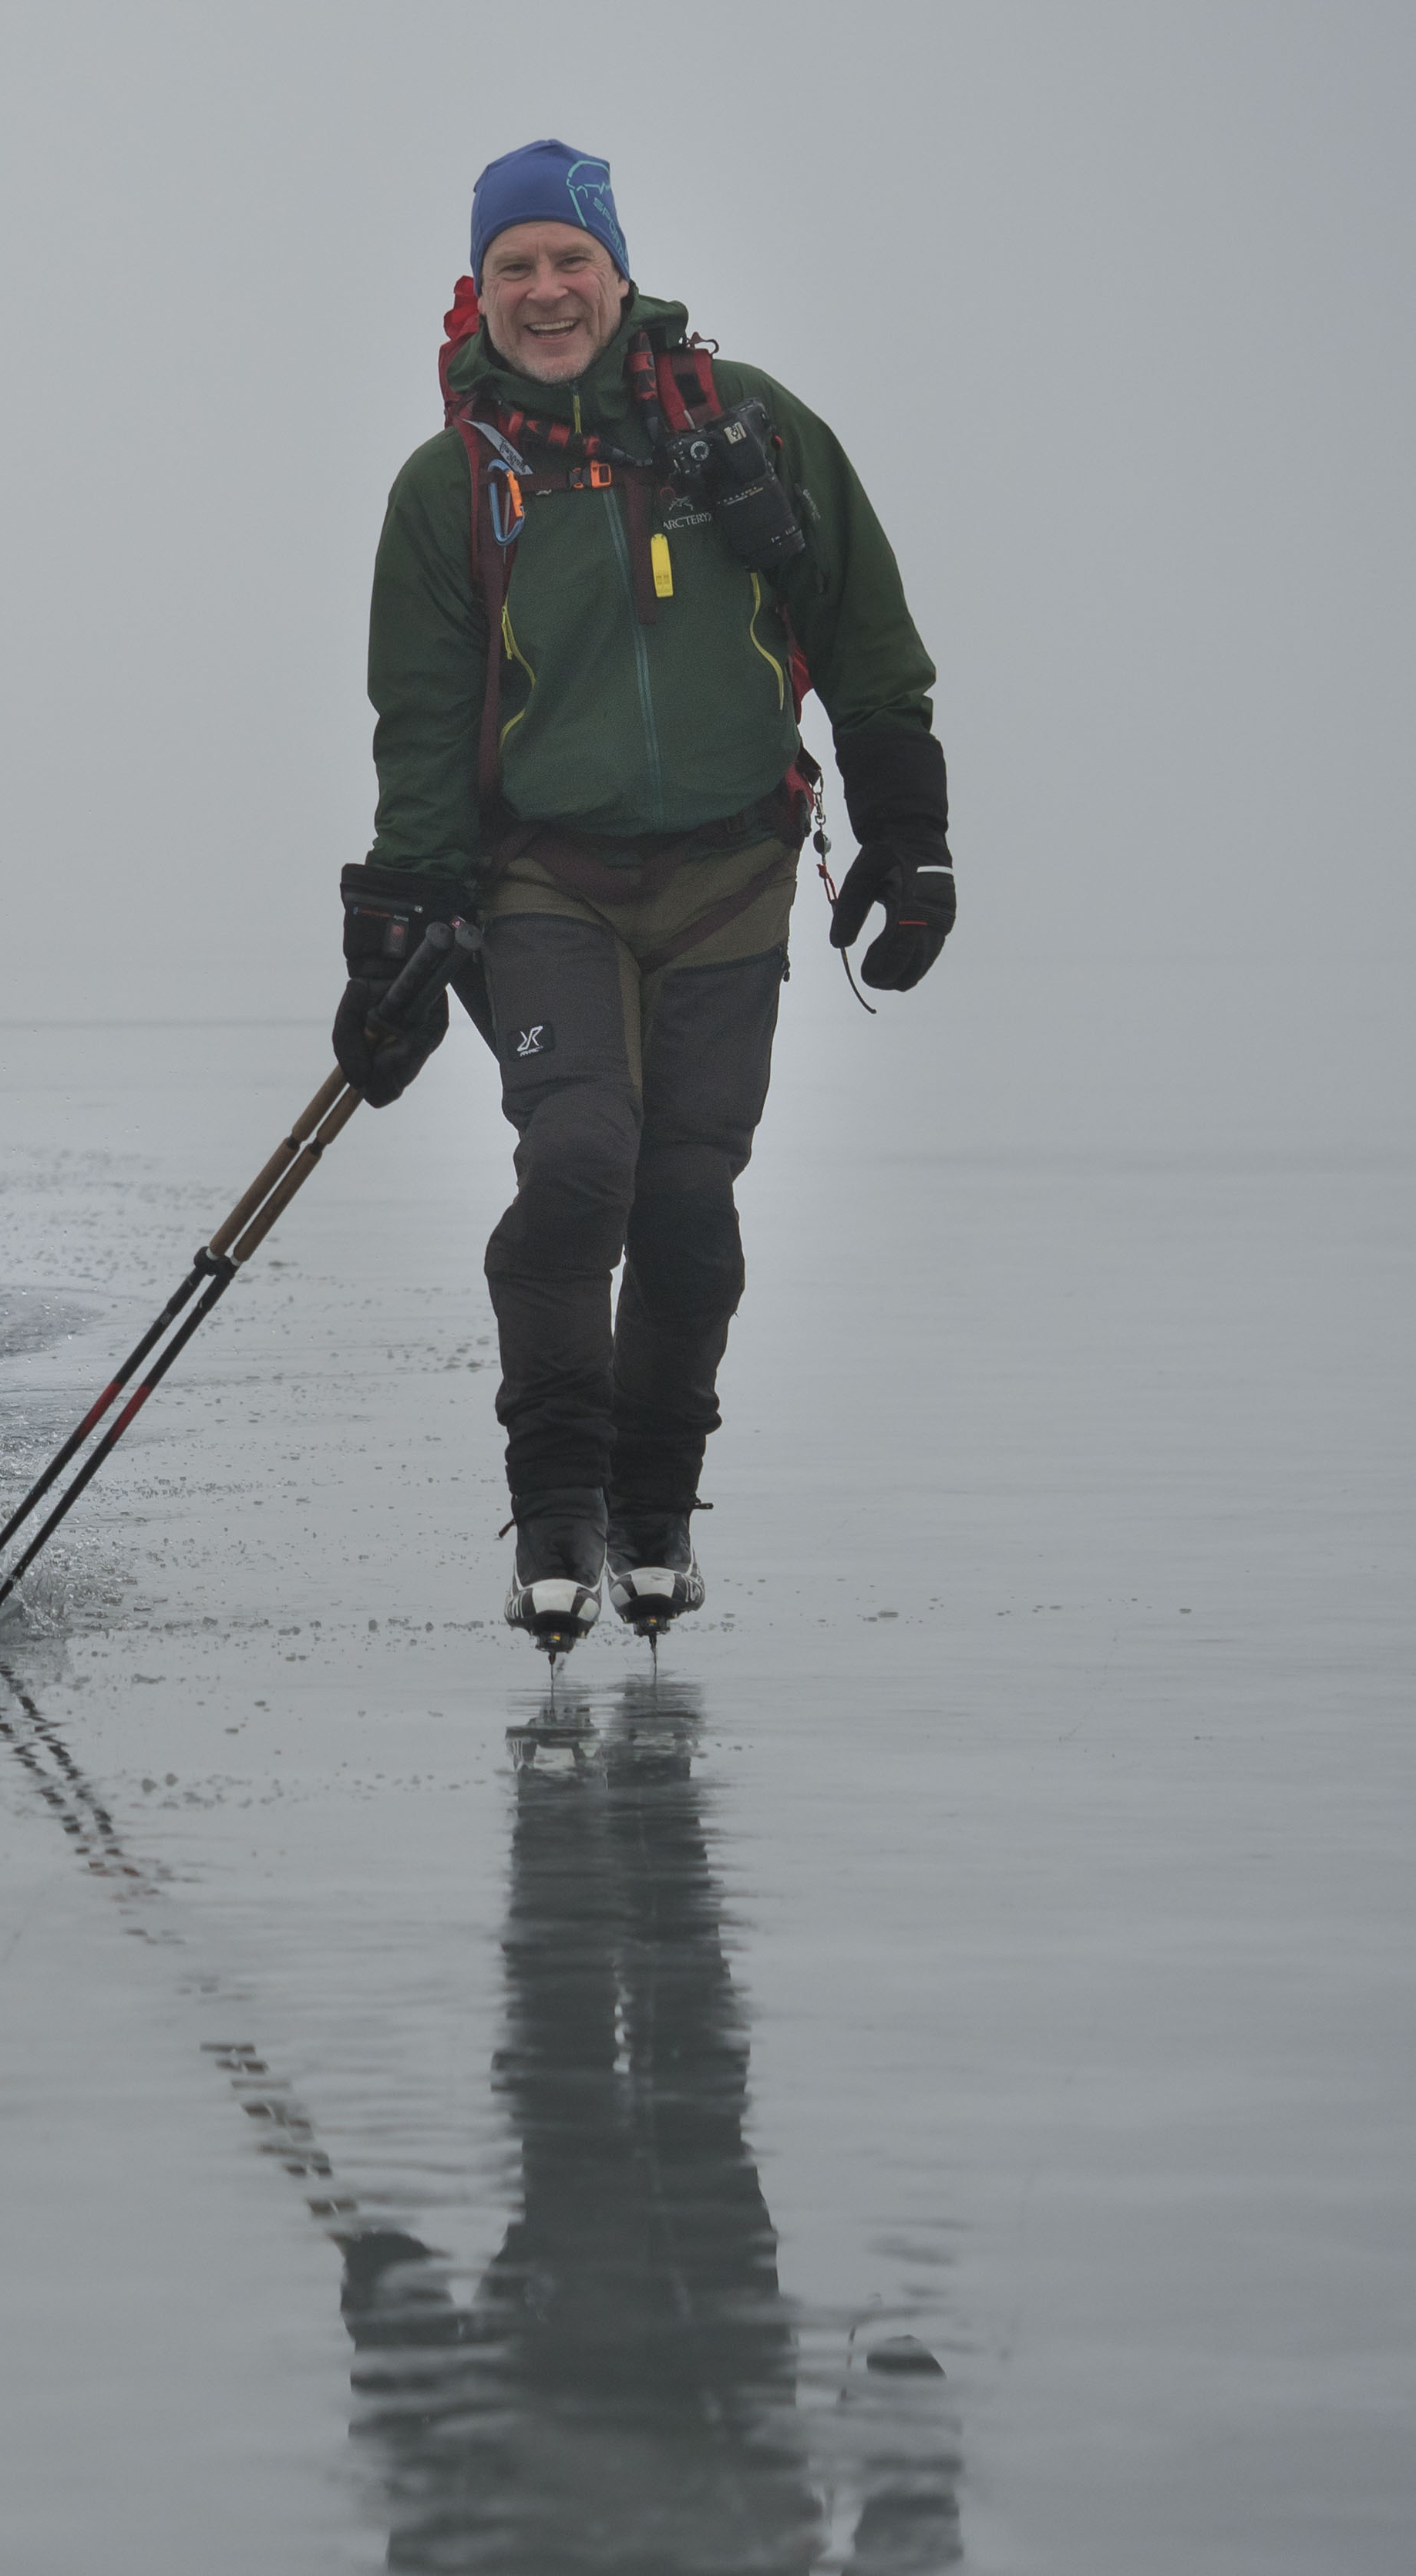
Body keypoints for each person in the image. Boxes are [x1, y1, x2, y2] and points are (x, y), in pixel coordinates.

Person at [338, 143, 953, 1648]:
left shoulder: (748, 432)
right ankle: (553, 1506)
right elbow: (420, 722)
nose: (543, 291)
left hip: (732, 874)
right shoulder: (450, 489)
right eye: (510, 269)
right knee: (577, 1164)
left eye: (565, 260)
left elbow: (864, 633)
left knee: (684, 1206)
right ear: (475, 296)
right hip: (542, 879)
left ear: (614, 270)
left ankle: (652, 1513)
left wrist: (909, 835)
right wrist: (395, 925)